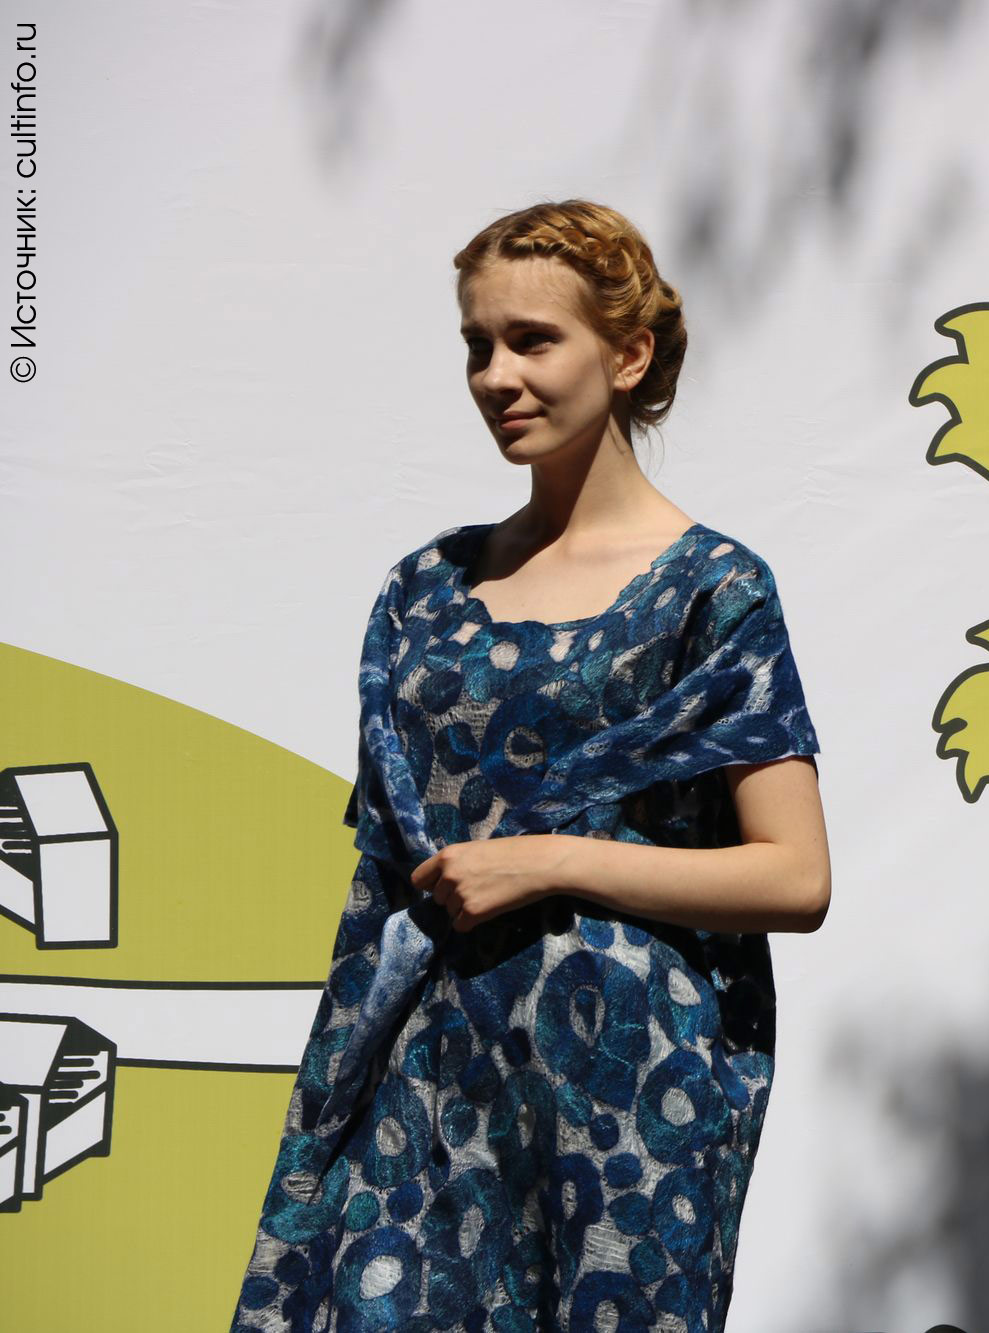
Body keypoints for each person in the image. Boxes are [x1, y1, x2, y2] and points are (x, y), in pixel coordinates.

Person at [231, 199, 830, 1331]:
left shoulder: (711, 592)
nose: (496, 376)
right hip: (423, 1078)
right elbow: (387, 874)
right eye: (478, 345)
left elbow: (794, 876)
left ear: (628, 354)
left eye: (532, 341)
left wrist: (547, 860)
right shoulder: (427, 590)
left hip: (625, 1102)